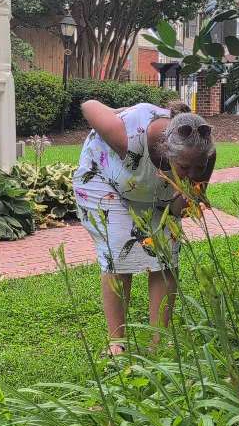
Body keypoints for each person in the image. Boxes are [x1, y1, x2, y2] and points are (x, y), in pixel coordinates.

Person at [73, 98, 216, 354]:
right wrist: (119, 112)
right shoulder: (127, 136)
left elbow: (177, 210)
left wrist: (187, 201)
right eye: (184, 167)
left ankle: (158, 341)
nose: (193, 174)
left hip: (147, 188)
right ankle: (117, 342)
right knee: (119, 253)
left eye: (199, 167)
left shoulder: (204, 153)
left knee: (166, 254)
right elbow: (88, 105)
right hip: (105, 178)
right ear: (166, 150)